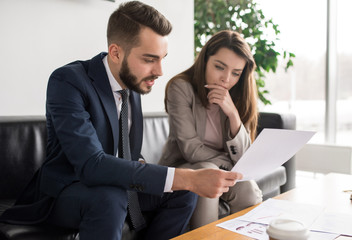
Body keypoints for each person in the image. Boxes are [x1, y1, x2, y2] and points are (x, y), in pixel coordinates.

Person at [0, 2, 242, 240]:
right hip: (66, 190)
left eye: (162, 58)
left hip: (114, 184)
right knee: (112, 196)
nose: (159, 70)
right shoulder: (68, 81)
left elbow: (125, 154)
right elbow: (91, 165)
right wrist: (187, 176)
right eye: (149, 59)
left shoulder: (133, 85)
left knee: (183, 193)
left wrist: (173, 179)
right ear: (116, 52)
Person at [159, 30, 263, 229]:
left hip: (221, 170)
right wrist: (229, 163)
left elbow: (245, 158)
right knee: (210, 172)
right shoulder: (180, 88)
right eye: (219, 67)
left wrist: (233, 114)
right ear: (205, 60)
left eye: (235, 73)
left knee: (247, 189)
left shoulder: (237, 96)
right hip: (184, 169)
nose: (226, 79)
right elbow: (190, 149)